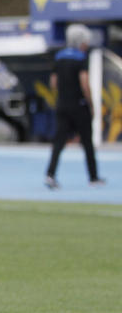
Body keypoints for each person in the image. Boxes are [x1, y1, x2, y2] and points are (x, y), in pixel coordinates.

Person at [44, 24, 104, 189]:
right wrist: (90, 103)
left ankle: (50, 174)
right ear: (80, 42)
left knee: (59, 142)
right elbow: (84, 83)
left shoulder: (59, 57)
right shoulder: (80, 58)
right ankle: (93, 177)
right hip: (79, 105)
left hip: (62, 105)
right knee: (87, 142)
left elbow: (53, 83)